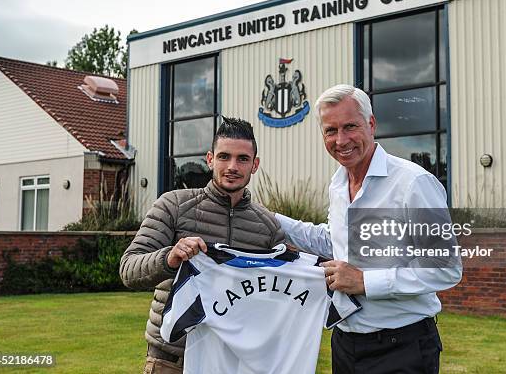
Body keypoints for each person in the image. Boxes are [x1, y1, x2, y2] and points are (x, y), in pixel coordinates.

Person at [275, 85, 462, 374]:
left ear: (371, 124)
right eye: (330, 130)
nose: (341, 140)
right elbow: (335, 242)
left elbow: (445, 268)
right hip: (345, 344)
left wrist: (365, 282)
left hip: (403, 348)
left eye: (350, 127)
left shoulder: (413, 182)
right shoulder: (337, 185)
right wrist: (269, 219)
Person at [120, 117, 285, 374]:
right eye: (224, 157)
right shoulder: (173, 205)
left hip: (234, 359)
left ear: (255, 165)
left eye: (242, 159)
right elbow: (129, 270)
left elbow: (283, 289)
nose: (232, 166)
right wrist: (169, 258)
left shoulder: (268, 226)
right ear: (210, 159)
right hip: (171, 357)